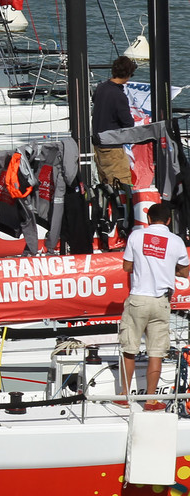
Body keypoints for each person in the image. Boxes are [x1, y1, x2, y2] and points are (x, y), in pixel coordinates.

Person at [121, 202, 188, 406]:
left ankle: (124, 397)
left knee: (129, 349)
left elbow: (126, 267)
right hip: (161, 302)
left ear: (148, 219)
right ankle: (151, 400)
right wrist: (168, 269)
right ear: (169, 220)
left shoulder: (136, 236)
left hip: (139, 299)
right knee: (156, 352)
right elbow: (185, 272)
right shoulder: (176, 241)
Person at [94, 55, 139, 186]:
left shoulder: (101, 88)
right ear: (128, 75)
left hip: (98, 145)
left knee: (105, 185)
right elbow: (128, 123)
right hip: (112, 148)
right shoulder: (119, 96)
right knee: (122, 185)